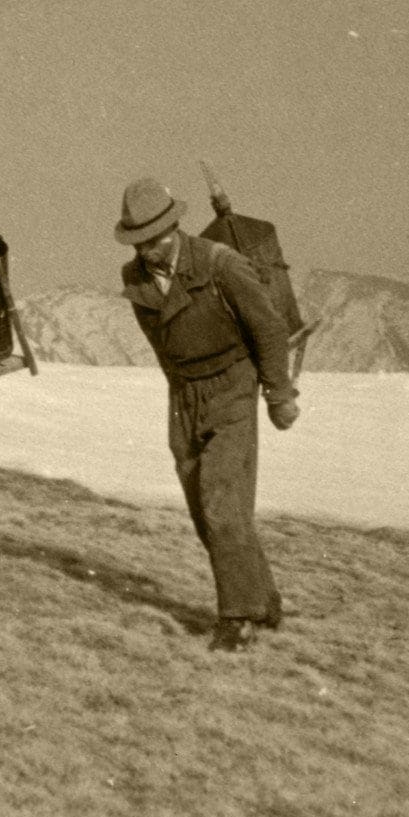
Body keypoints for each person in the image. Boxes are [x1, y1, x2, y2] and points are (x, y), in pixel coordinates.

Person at [115, 176, 300, 651]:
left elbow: (269, 328)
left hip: (232, 387)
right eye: (139, 241)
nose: (147, 250)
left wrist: (278, 394)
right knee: (206, 512)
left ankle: (237, 620)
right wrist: (180, 398)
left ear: (174, 227)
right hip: (184, 397)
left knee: (222, 503)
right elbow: (161, 346)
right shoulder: (134, 279)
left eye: (154, 238)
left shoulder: (220, 264)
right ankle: (264, 601)